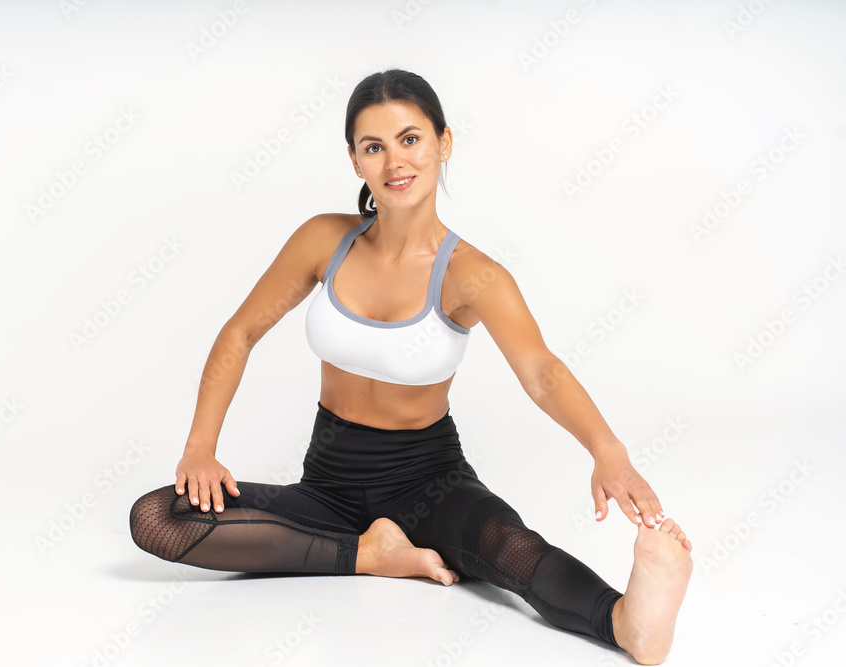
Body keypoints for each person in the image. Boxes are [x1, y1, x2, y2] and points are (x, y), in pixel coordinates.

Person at [129, 69, 693, 665]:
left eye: (410, 139)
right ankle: (371, 554)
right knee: (160, 517)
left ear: (443, 143)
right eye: (373, 146)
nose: (394, 160)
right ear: (355, 161)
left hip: (430, 482)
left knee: (510, 549)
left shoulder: (475, 275)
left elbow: (541, 371)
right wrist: (200, 447)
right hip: (328, 483)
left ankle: (626, 620)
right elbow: (240, 333)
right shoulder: (324, 240)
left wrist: (608, 452)